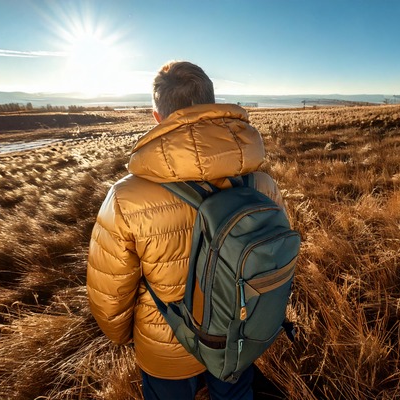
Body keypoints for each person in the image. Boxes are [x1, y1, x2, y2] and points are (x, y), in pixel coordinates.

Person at [86, 60, 289, 400]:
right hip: (241, 335)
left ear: (157, 117)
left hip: (167, 348)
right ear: (211, 105)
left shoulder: (126, 197)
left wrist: (128, 337)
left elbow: (109, 296)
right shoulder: (261, 182)